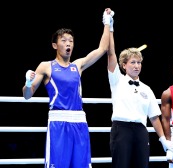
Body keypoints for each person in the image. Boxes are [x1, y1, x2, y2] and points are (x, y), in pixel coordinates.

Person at [22, 8, 113, 168]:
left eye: (70, 40)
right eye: (64, 40)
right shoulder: (46, 66)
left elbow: (102, 49)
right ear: (54, 45)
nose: (68, 43)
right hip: (58, 123)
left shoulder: (78, 65)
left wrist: (107, 22)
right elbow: (27, 96)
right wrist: (28, 83)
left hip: (79, 121)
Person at [105, 9, 173, 168]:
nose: (137, 66)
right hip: (121, 129)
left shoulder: (147, 89)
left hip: (141, 131)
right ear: (124, 65)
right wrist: (110, 27)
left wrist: (164, 141)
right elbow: (111, 54)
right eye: (133, 62)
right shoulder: (117, 80)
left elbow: (154, 117)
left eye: (139, 62)